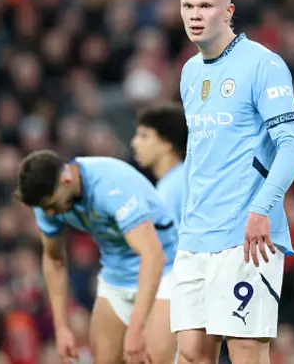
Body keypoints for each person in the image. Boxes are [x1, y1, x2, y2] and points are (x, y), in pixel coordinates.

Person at [171, 0, 294, 364]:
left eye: (206, 6)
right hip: (195, 234)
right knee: (192, 353)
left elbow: (292, 147)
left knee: (245, 350)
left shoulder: (264, 64)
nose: (195, 15)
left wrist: (262, 208)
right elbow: (197, 152)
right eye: (188, 6)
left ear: (228, 11)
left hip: (245, 234)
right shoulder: (189, 72)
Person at [15, 150, 178, 364]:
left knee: (155, 358)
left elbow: (153, 256)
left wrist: (136, 327)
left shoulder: (111, 186)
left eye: (51, 205)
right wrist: (61, 327)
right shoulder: (47, 201)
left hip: (165, 272)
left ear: (66, 179)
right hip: (116, 277)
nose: (50, 214)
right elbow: (54, 259)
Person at [131, 103, 188, 227]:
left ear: (167, 143)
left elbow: (171, 243)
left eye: (144, 136)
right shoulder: (182, 178)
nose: (134, 143)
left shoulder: (171, 190)